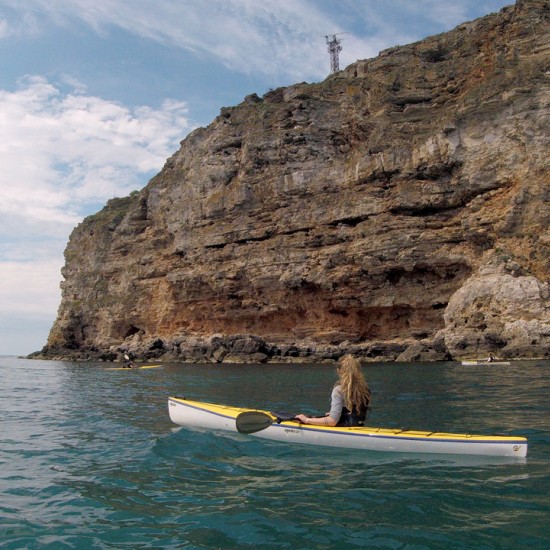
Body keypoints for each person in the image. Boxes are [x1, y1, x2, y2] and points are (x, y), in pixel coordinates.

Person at [295, 355, 371, 427]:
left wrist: (306, 420)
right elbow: (353, 414)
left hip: (344, 428)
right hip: (358, 426)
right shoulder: (365, 390)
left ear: (339, 371)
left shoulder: (338, 390)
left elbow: (332, 421)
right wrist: (337, 413)